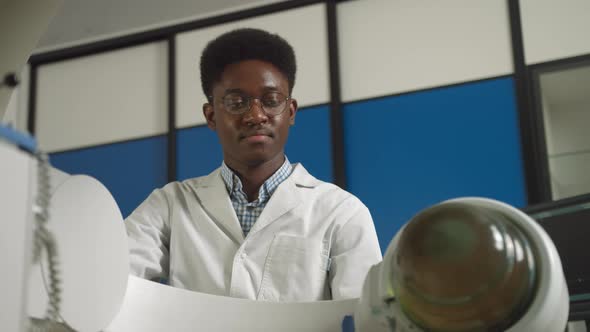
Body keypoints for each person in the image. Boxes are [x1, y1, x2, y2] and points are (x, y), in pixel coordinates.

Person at [125, 28, 382, 302]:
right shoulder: (170, 205)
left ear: (291, 112)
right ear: (211, 116)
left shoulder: (341, 212)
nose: (256, 115)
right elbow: (110, 275)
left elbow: (366, 317)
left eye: (271, 101)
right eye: (237, 102)